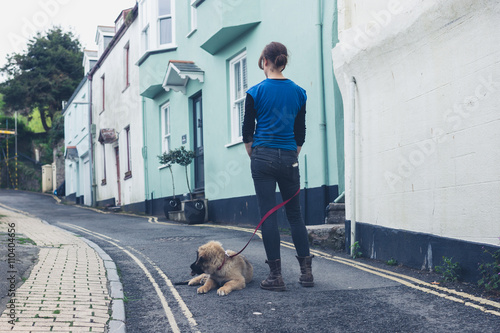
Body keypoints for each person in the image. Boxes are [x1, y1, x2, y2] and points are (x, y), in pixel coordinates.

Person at [242, 41, 314, 291]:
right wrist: (290, 154)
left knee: (268, 215)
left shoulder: (254, 92)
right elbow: (300, 132)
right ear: (283, 61)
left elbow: (247, 133)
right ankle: (306, 274)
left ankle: (276, 277)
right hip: (289, 157)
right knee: (295, 215)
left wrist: (256, 157)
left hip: (262, 156)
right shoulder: (300, 92)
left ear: (265, 62)